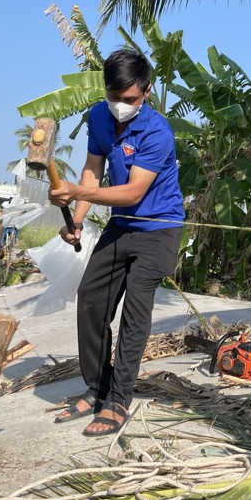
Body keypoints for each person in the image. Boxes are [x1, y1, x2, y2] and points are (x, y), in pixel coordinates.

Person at [49, 48, 185, 437]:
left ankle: (119, 399)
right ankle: (98, 387)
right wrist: (75, 219)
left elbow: (132, 192)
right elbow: (93, 171)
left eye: (130, 100)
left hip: (159, 228)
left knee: (135, 311)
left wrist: (75, 191)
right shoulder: (97, 116)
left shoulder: (158, 131)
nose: (120, 106)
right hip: (121, 226)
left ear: (147, 90)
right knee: (91, 299)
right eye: (114, 97)